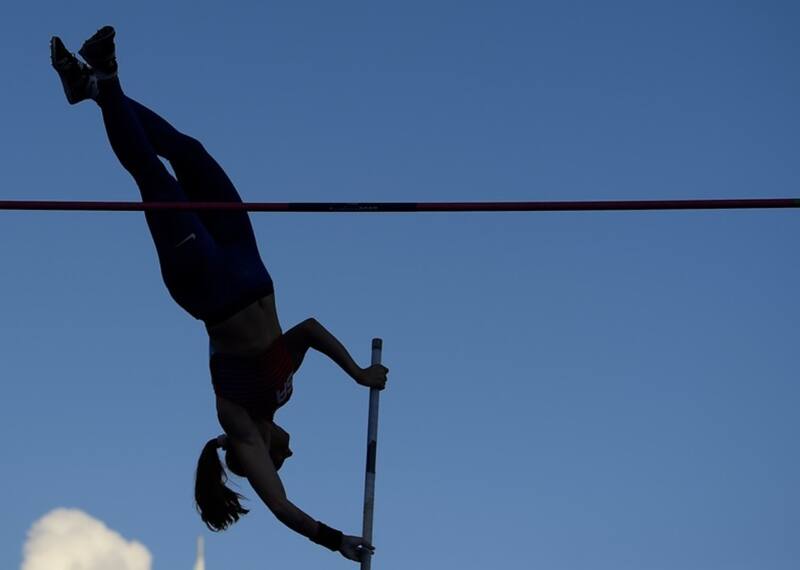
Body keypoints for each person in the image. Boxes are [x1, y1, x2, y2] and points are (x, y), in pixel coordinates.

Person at [50, 25, 388, 563]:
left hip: (207, 283)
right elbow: (310, 330)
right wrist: (358, 376)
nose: (291, 451)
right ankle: (92, 89)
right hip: (246, 260)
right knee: (189, 152)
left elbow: (281, 509)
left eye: (284, 460)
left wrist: (334, 540)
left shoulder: (239, 428)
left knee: (154, 178)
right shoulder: (281, 393)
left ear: (260, 461)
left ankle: (105, 81)